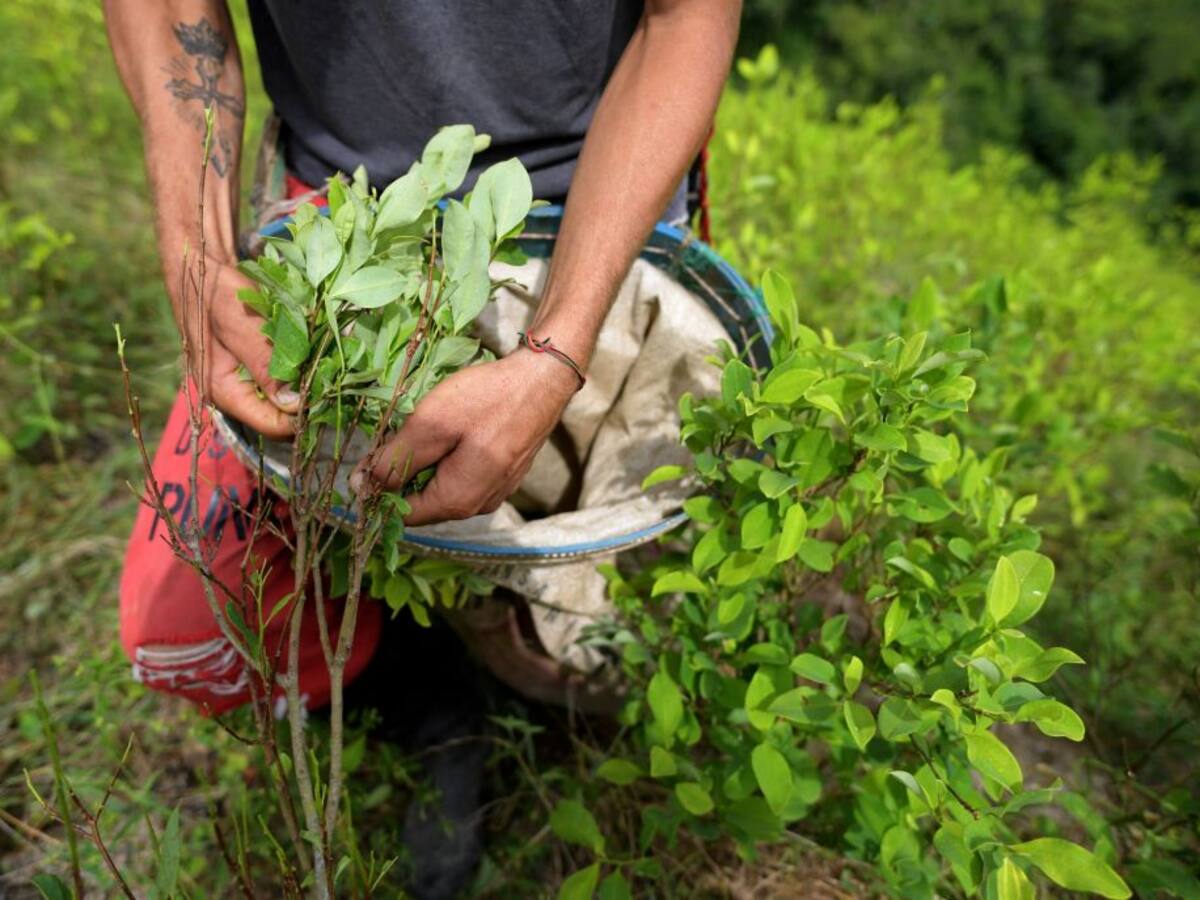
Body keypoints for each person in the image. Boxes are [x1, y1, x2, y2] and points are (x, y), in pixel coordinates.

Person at [104, 1, 740, 895]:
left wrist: (555, 352)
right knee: (192, 633)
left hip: (595, 210)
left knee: (610, 638)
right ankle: (427, 691)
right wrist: (198, 255)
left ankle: (512, 668)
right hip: (343, 217)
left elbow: (687, 19)